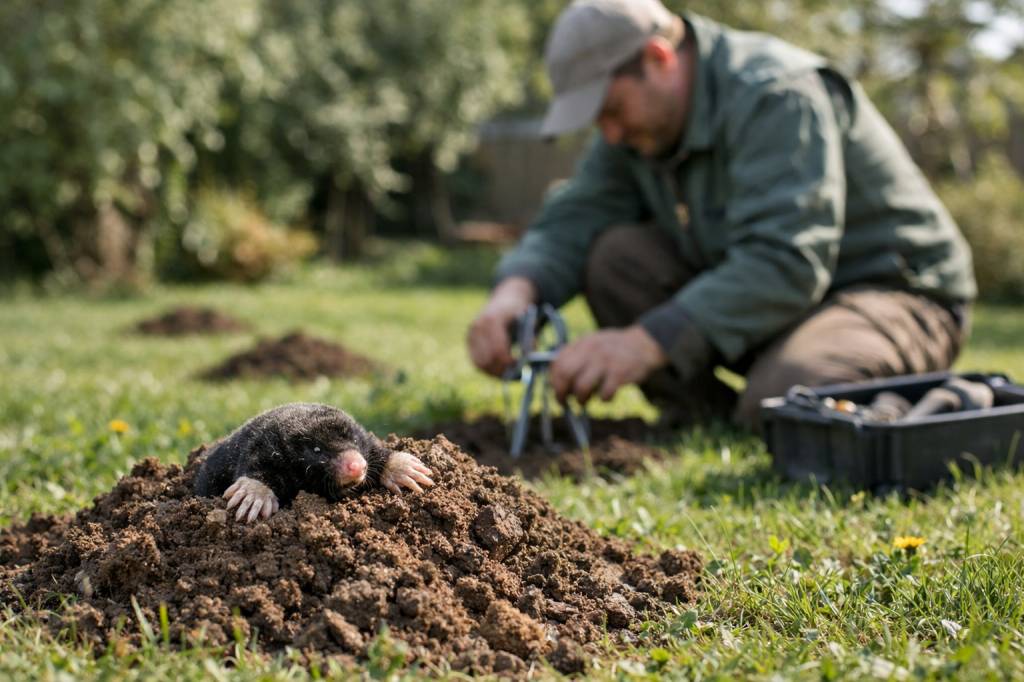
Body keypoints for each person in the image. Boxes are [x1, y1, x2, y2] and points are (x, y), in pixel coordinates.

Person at [466, 0, 976, 430]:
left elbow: (786, 261)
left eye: (612, 110)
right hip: (782, 306)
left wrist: (644, 343)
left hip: (893, 294)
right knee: (616, 257)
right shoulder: (637, 128)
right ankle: (712, 419)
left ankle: (845, 400)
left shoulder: (776, 94)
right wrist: (515, 294)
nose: (610, 134)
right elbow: (578, 213)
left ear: (659, 57)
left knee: (786, 396)